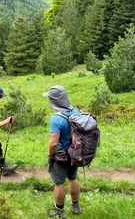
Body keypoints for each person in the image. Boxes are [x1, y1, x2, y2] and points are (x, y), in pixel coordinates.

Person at [42, 85, 81, 218]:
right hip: (76, 153)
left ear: (54, 101)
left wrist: (50, 153)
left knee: (59, 183)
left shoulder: (56, 118)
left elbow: (53, 143)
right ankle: (75, 207)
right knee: (73, 178)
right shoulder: (77, 112)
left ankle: (59, 210)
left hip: (61, 156)